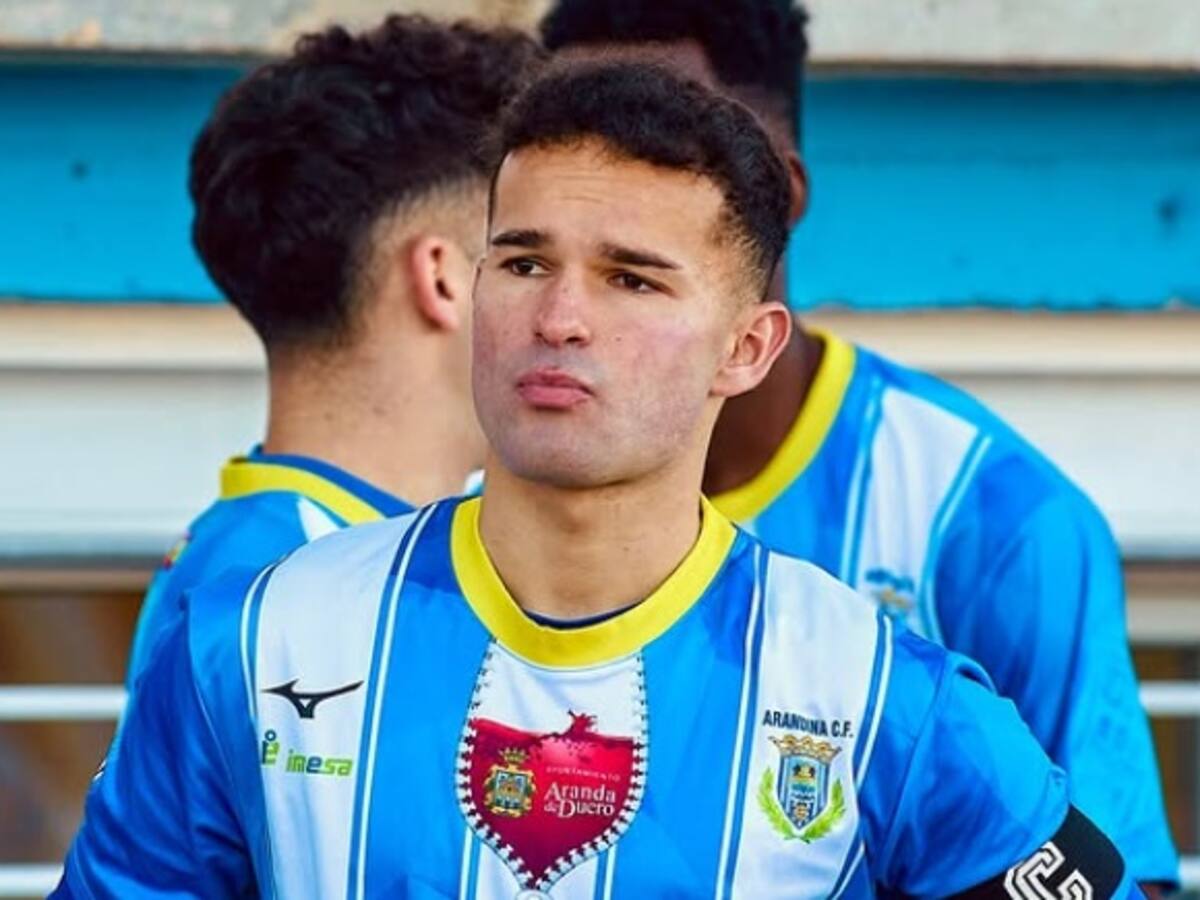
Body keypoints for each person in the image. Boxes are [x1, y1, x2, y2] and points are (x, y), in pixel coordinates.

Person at [56, 61, 1141, 899]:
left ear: (747, 348)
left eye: (632, 279)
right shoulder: (253, 643)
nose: (560, 317)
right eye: (524, 262)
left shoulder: (880, 697)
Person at [539, 0, 1178, 889]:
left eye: (659, 141)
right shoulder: (473, 486)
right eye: (564, 139)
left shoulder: (990, 517)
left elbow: (1114, 875)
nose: (601, 188)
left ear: (779, 190)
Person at [124, 16, 543, 685]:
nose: (566, 312)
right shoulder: (300, 589)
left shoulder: (264, 556)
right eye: (526, 263)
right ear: (444, 279)